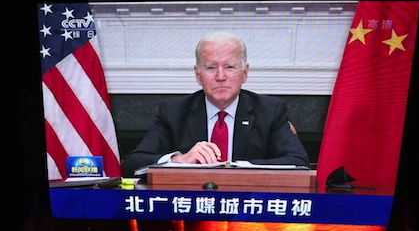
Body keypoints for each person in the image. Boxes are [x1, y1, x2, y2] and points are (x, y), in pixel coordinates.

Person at [121, 31, 309, 176]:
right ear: (198, 75)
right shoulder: (173, 112)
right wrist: (180, 160)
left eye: (230, 67)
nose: (220, 77)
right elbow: (132, 163)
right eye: (211, 67)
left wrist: (238, 168)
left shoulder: (270, 111)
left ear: (244, 73)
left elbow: (298, 162)